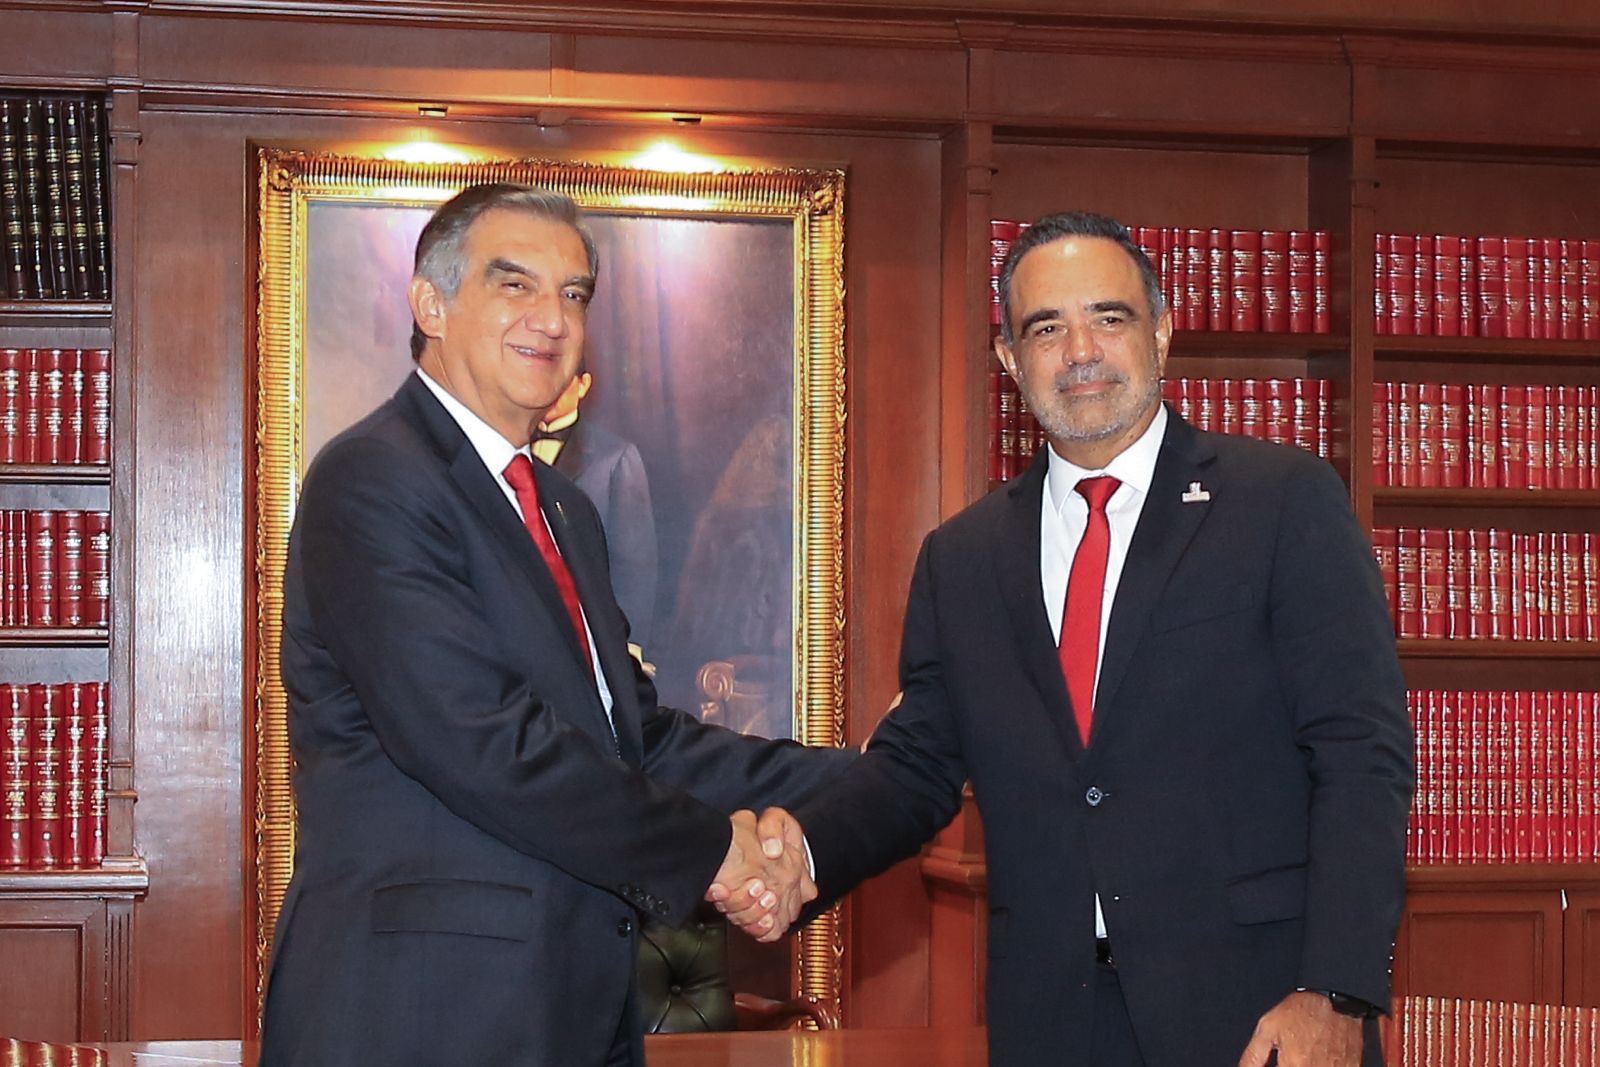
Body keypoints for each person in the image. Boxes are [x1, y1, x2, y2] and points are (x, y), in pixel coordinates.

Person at [735, 212, 1413, 1067]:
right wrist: (802, 850)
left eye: (1109, 317)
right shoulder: (963, 557)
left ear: (1162, 332)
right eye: (1046, 328)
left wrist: (1338, 989)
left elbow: (1361, 753)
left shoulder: (1282, 502)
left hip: (1260, 1016)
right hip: (1052, 1020)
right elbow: (916, 765)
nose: (1081, 351)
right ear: (1010, 359)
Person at [258, 182, 850, 1066]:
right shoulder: (373, 480)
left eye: (574, 293)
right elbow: (483, 742)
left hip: (575, 1009)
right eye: (515, 284)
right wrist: (712, 852)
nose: (552, 317)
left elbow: (635, 739)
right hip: (419, 1017)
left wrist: (862, 782)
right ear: (429, 304)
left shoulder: (563, 509)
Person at [534, 365, 660, 650]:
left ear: (583, 384)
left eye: (561, 379)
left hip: (590, 634)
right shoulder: (508, 447)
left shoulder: (615, 456)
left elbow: (635, 565)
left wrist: (629, 645)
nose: (549, 388)